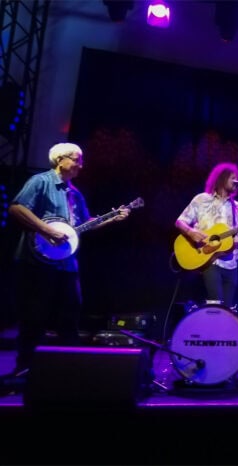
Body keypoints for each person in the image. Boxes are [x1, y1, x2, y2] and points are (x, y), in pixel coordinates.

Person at [4, 142, 131, 379]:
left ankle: (67, 371)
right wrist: (47, 230)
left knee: (70, 316)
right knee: (33, 316)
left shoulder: (75, 194)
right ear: (60, 159)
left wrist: (112, 218)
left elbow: (83, 224)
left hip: (66, 264)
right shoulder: (41, 182)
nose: (81, 165)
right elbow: (16, 209)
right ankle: (24, 370)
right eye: (76, 159)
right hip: (37, 261)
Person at [175, 162, 238, 312]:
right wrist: (191, 232)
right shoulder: (201, 200)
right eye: (232, 178)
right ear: (222, 178)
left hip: (232, 264)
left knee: (226, 311)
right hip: (209, 260)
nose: (236, 181)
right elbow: (180, 222)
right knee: (216, 307)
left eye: (237, 178)